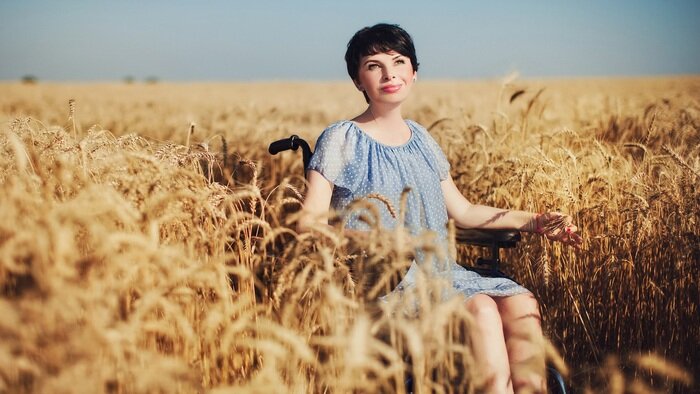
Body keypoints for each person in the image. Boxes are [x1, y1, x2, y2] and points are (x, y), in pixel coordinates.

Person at [297, 23, 582, 393]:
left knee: (521, 303)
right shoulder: (341, 138)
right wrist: (377, 239)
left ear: (414, 73)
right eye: (374, 65)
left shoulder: (422, 139)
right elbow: (310, 222)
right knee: (481, 308)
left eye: (399, 62)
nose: (389, 73)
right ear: (358, 80)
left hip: (441, 274)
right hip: (383, 282)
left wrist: (536, 222)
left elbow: (462, 211)